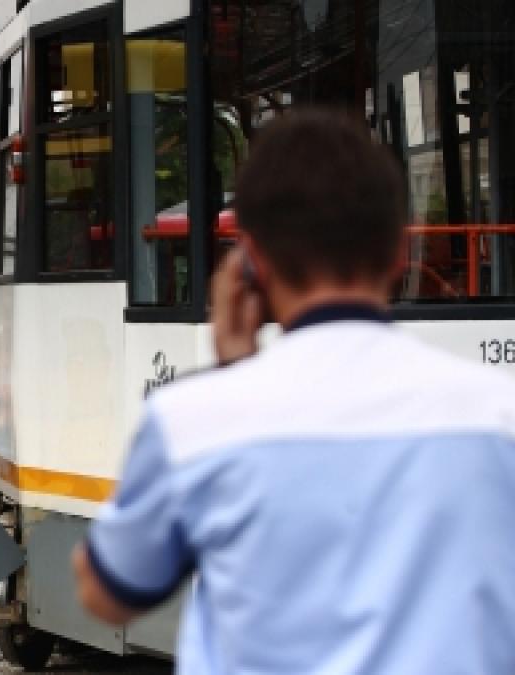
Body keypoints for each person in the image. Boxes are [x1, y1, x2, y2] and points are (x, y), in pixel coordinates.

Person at [73, 108, 515, 673]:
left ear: (250, 261)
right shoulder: (495, 414)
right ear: (400, 252)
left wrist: (233, 375)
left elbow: (107, 591)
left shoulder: (195, 422)